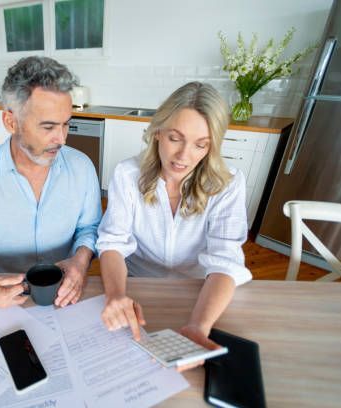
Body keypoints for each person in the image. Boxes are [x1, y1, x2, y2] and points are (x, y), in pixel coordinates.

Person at [97, 82, 252, 367]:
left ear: (212, 146)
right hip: (137, 289)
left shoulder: (228, 183)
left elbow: (224, 263)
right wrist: (117, 295)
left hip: (200, 292)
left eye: (200, 144)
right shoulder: (127, 174)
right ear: (157, 133)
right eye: (175, 138)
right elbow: (112, 244)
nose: (184, 156)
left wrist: (199, 326)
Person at [0, 56, 102, 309]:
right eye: (48, 127)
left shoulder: (82, 167)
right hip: (0, 299)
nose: (62, 139)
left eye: (66, 124)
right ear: (11, 122)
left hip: (65, 294)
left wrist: (80, 261)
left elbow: (89, 228)